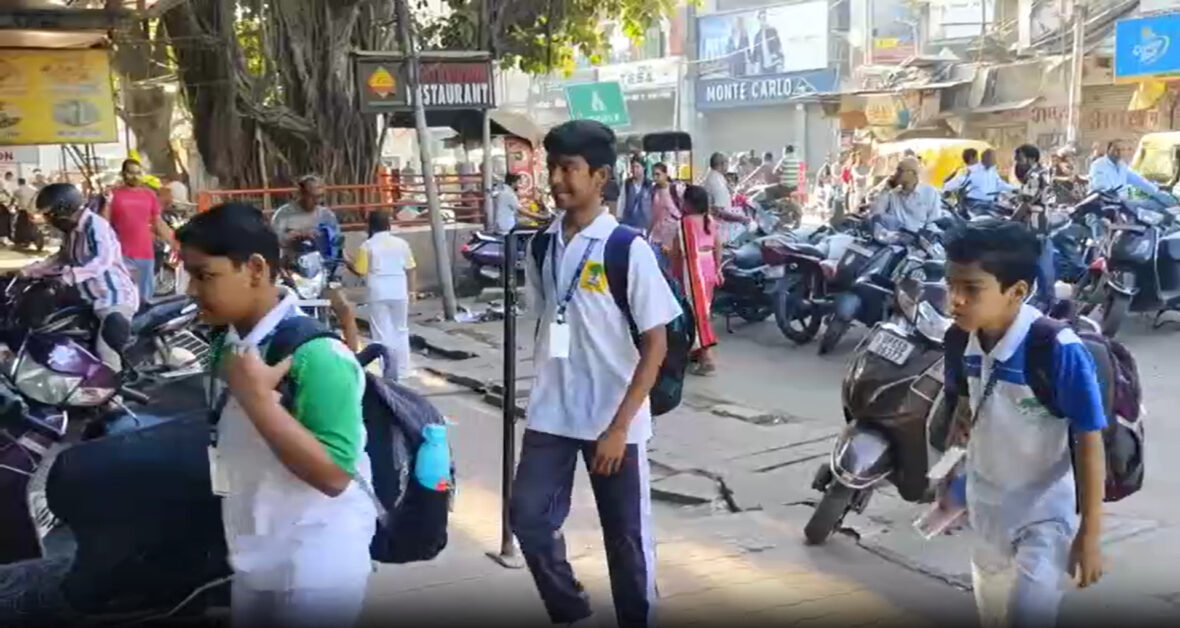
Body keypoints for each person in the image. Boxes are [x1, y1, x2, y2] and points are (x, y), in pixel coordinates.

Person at [511, 120, 681, 628]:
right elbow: (544, 320)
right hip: (552, 413)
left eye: (569, 168)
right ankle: (570, 608)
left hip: (615, 420)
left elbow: (656, 345)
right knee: (528, 519)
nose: (557, 179)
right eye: (552, 168)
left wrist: (620, 427)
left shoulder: (627, 248)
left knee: (625, 539)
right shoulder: (540, 246)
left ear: (600, 176)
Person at [176, 203, 376, 628]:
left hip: (316, 566)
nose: (191, 290)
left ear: (254, 268)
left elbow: (334, 476)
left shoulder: (318, 355)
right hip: (257, 554)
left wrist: (258, 401)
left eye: (204, 275)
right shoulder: (228, 343)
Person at [942, 219, 1106, 628]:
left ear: (1016, 291)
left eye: (971, 289)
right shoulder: (960, 339)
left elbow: (1089, 439)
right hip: (986, 510)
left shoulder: (1056, 349)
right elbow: (966, 411)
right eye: (951, 286)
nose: (955, 301)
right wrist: (949, 478)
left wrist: (1090, 534)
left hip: (1045, 514)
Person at [19, 184, 139, 371]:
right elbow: (61, 258)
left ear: (63, 209)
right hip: (89, 298)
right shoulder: (72, 232)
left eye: (50, 214)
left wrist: (69, 277)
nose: (49, 220)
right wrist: (28, 272)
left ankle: (113, 395)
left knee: (105, 351)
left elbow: (102, 260)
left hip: (114, 297)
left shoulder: (95, 225)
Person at [348, 209, 417, 378]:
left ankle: (389, 370)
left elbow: (360, 270)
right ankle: (403, 368)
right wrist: (413, 290)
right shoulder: (401, 243)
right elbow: (411, 268)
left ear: (370, 225)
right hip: (399, 289)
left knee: (381, 332)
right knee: (401, 329)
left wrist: (347, 261)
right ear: (388, 224)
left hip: (378, 290)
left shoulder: (367, 245)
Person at [104, 159, 173, 303]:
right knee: (123, 297)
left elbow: (158, 223)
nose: (135, 177)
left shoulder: (149, 195)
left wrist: (175, 243)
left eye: (138, 173)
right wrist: (106, 202)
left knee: (144, 299)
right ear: (123, 174)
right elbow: (103, 224)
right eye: (130, 173)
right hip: (120, 255)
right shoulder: (112, 194)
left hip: (145, 254)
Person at [671, 185, 721, 376]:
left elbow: (676, 252)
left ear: (690, 203)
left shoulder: (685, 223)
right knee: (704, 311)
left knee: (694, 313)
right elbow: (718, 246)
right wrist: (717, 268)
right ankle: (697, 351)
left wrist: (671, 267)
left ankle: (706, 357)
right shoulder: (710, 220)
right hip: (708, 267)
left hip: (693, 270)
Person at [1013, 144, 1056, 310]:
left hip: (1035, 223)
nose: (1017, 162)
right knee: (1042, 260)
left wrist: (1011, 222)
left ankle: (1047, 300)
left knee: (1039, 262)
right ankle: (1046, 298)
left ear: (1031, 158)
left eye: (1020, 158)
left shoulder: (1034, 176)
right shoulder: (1042, 172)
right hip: (1043, 222)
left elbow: (1025, 203)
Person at [870, 157, 941, 234]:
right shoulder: (892, 193)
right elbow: (876, 214)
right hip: (891, 236)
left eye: (900, 171)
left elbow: (934, 221)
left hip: (916, 239)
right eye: (897, 170)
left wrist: (926, 236)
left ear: (912, 173)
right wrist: (886, 189)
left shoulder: (930, 193)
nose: (896, 174)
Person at [271, 174, 340, 253]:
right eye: (312, 197)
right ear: (301, 194)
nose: (317, 201)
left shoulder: (327, 215)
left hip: (323, 261)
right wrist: (298, 235)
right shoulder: (284, 214)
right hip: (294, 261)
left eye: (320, 196)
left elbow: (337, 243)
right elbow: (274, 240)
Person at [1088, 140, 1163, 205]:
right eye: (1116, 149)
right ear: (1108, 150)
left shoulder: (1122, 165)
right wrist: (1129, 194)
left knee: (1151, 199)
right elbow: (1102, 187)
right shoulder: (1099, 165)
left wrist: (1154, 190)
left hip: (1121, 200)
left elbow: (1137, 180)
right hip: (1101, 202)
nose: (1119, 152)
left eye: (1122, 150)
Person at [944, 149, 1018, 214]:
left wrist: (1015, 189)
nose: (994, 161)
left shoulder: (992, 171)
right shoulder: (970, 171)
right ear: (983, 158)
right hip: (974, 205)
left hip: (991, 204)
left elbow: (1000, 184)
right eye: (992, 158)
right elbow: (949, 186)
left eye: (994, 158)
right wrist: (947, 189)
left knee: (1012, 213)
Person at [704, 152, 744, 244]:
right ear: (722, 164)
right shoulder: (716, 182)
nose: (728, 166)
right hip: (718, 229)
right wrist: (742, 219)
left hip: (720, 228)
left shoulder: (716, 177)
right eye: (727, 163)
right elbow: (719, 211)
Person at [647, 163, 682, 256]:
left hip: (672, 236)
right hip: (656, 236)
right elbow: (653, 214)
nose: (655, 178)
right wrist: (648, 233)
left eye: (658, 174)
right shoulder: (654, 191)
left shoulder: (676, 189)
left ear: (665, 174)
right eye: (653, 175)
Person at [617, 157, 653, 232]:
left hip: (645, 223)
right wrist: (619, 217)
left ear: (643, 168)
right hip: (628, 221)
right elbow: (622, 200)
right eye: (633, 167)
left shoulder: (649, 184)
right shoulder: (627, 183)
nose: (634, 170)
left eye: (637, 167)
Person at [751, 9, 783, 75]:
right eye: (761, 18)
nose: (763, 20)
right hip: (763, 68)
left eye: (764, 18)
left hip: (774, 65)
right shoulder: (757, 36)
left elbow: (778, 47)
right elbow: (755, 54)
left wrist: (780, 63)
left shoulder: (772, 31)